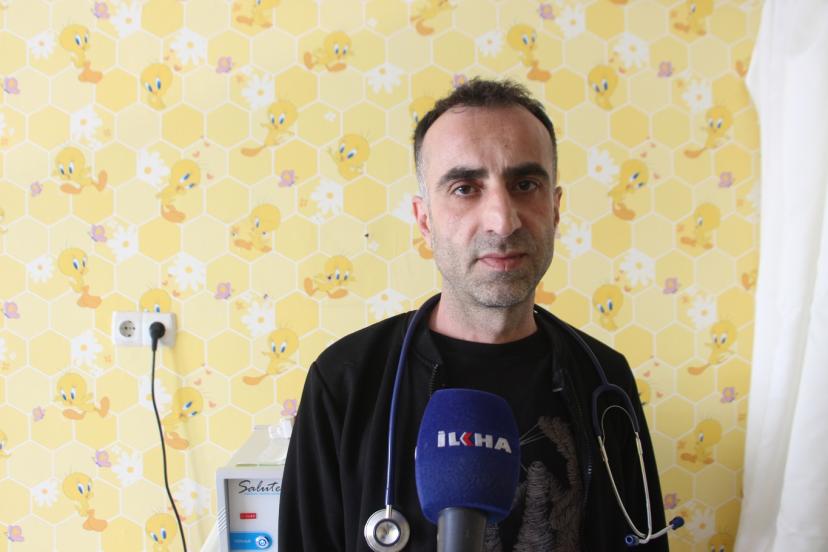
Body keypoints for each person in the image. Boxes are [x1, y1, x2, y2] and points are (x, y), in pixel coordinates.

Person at [279, 78, 668, 551]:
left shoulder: (604, 379)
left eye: (525, 185)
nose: (502, 221)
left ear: (555, 208)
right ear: (425, 220)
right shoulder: (345, 382)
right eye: (465, 188)